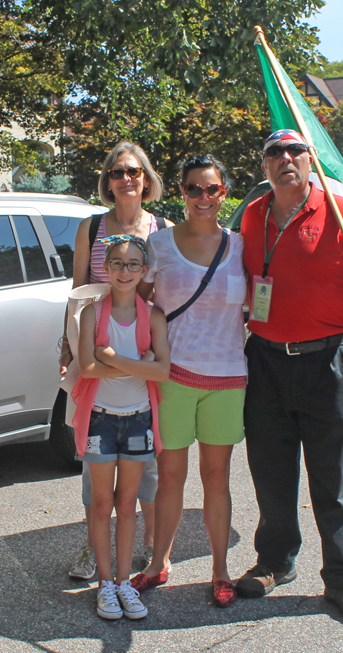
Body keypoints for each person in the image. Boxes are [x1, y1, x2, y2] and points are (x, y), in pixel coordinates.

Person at [235, 129, 343, 626]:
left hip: (330, 360)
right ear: (264, 166)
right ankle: (275, 561)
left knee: (335, 473)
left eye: (295, 151)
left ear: (310, 160)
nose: (286, 160)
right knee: (270, 468)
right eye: (275, 153)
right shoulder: (253, 217)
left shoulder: (342, 214)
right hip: (266, 359)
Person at [130, 155, 247, 608]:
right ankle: (159, 563)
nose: (203, 197)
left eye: (212, 189)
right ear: (180, 192)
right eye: (194, 188)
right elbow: (136, 305)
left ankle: (220, 570)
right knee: (171, 477)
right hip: (173, 376)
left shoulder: (240, 246)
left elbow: (267, 292)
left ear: (223, 193)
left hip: (228, 378)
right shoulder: (158, 244)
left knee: (217, 477)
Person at [59, 141, 173, 580]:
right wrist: (68, 348)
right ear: (107, 180)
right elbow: (76, 293)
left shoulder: (162, 229)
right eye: (118, 172)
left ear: (147, 179)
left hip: (142, 350)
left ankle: (147, 547)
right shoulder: (90, 228)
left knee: (146, 461)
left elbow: (168, 291)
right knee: (96, 460)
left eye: (135, 171)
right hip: (96, 346)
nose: (127, 179)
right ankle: (93, 548)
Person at [73, 235, 170, 619]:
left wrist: (112, 356)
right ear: (106, 269)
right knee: (101, 503)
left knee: (128, 505)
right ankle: (106, 583)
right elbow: (88, 368)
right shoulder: (92, 315)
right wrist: (139, 363)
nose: (125, 271)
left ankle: (126, 583)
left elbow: (162, 371)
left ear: (144, 271)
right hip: (99, 418)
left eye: (133, 264)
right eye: (117, 263)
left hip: (139, 420)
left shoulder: (154, 316)